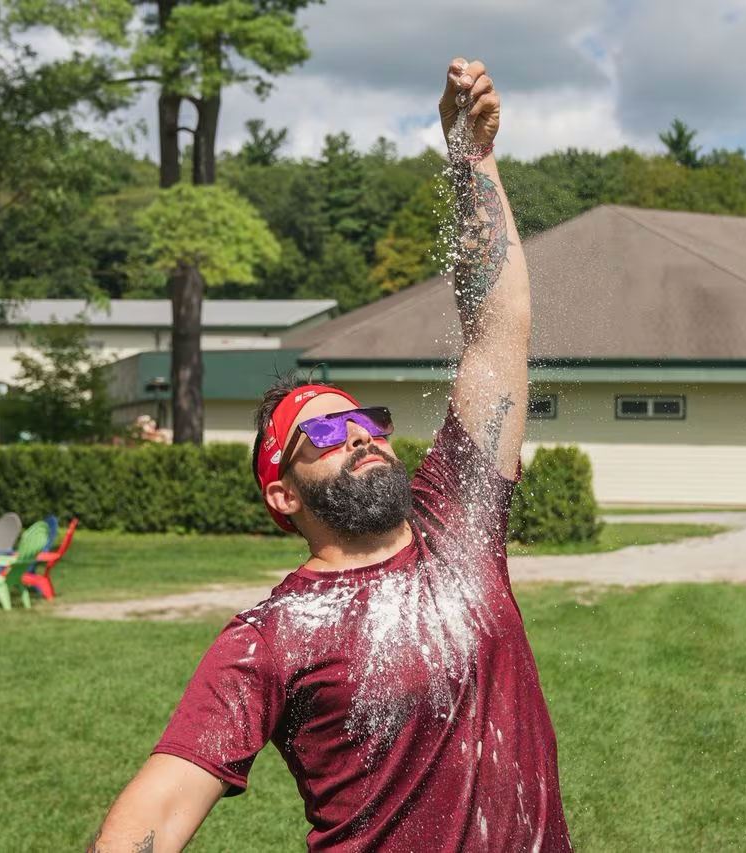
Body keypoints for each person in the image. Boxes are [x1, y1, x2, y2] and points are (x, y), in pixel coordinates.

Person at [89, 56, 571, 852]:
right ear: (282, 495)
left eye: (364, 420)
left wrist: (470, 160)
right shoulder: (267, 636)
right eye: (317, 432)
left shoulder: (459, 521)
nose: (355, 433)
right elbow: (160, 804)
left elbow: (495, 333)